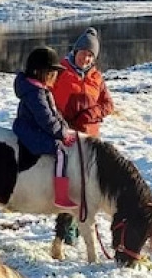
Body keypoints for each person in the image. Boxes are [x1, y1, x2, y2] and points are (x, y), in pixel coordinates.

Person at [49, 27, 115, 258]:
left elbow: (108, 104)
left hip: (90, 141)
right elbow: (47, 98)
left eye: (90, 55)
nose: (86, 58)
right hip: (66, 137)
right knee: (69, 188)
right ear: (75, 51)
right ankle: (63, 232)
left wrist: (91, 113)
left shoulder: (96, 77)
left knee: (87, 189)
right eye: (83, 53)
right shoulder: (60, 71)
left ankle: (76, 228)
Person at [12, 46, 78, 210]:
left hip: (37, 127)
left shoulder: (41, 90)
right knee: (60, 150)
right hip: (30, 131)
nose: (55, 76)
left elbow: (55, 114)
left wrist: (65, 129)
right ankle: (61, 195)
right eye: (52, 72)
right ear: (39, 72)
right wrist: (62, 134)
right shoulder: (35, 94)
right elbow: (46, 120)